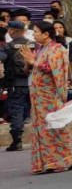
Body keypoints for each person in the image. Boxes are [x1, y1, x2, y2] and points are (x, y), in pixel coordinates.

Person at [26, 21, 72, 174]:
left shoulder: (57, 49)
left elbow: (55, 69)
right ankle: (46, 162)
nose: (33, 34)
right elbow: (35, 68)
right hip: (39, 99)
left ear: (46, 34)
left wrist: (34, 62)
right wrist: (30, 63)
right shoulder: (41, 50)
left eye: (36, 31)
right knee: (42, 129)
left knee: (55, 127)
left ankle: (63, 160)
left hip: (51, 97)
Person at [1, 20, 33, 150]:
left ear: (11, 31)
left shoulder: (7, 47)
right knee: (33, 111)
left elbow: (1, 58)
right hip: (33, 83)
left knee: (16, 111)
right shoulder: (33, 45)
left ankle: (17, 140)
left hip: (16, 84)